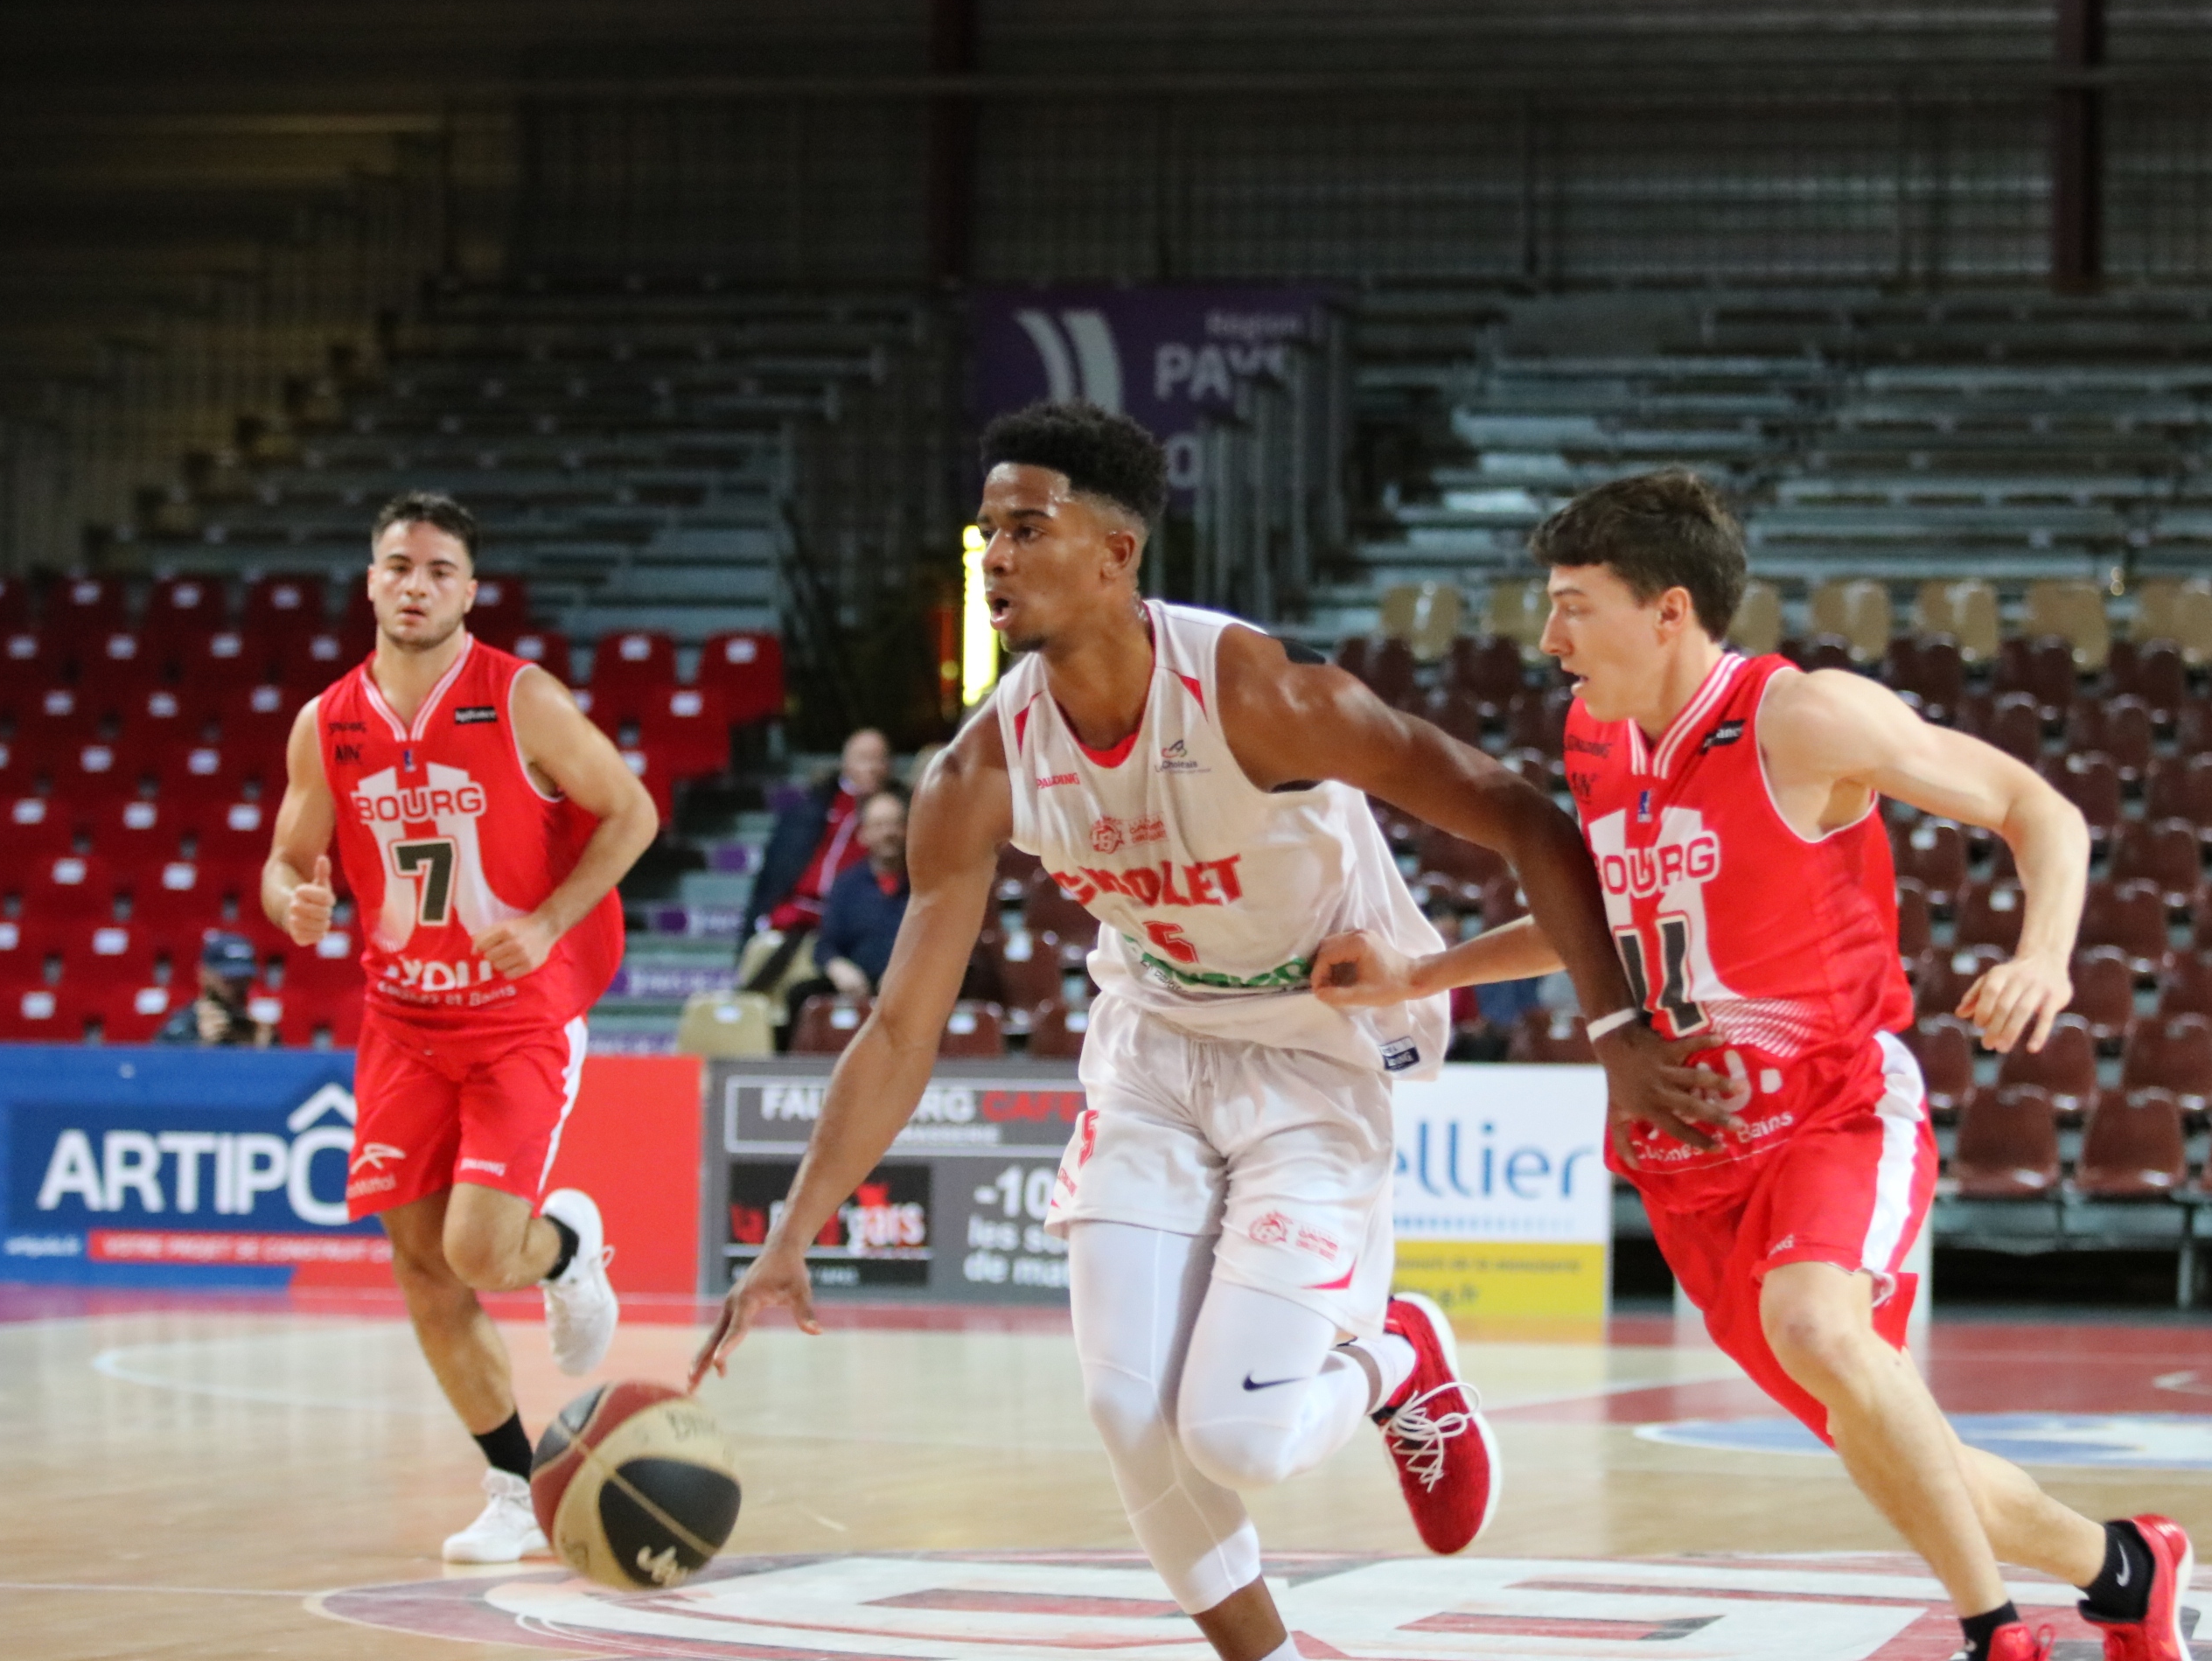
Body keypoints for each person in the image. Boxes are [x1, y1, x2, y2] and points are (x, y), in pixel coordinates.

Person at [692, 402, 1727, 1661]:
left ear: (1118, 554)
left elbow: (1522, 816)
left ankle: (1398, 1356)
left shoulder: (1261, 698)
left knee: (1237, 1438)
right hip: (1154, 1053)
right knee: (1128, 1413)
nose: (997, 559)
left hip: (1318, 1048)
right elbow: (902, 1030)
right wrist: (791, 1236)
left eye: (1028, 529)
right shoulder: (980, 772)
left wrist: (1617, 1034)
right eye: (987, 535)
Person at [1316, 470, 2196, 1661]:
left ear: (1668, 611)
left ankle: (1997, 1635)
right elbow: (1608, 924)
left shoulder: (1802, 719)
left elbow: (2038, 809)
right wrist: (1422, 975)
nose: (1550, 636)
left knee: (1823, 1331)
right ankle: (2126, 1568)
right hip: (1696, 1167)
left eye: (1575, 604)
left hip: (1835, 1111)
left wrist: (2044, 957)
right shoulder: (1592, 739)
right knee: (1880, 1435)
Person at [260, 492, 659, 1564]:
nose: (416, 584)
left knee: (477, 1249)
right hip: (400, 1023)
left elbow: (633, 812)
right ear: (372, 580)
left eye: (439, 569)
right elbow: (285, 860)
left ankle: (567, 1242)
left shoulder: (519, 698)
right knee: (420, 1265)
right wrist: (291, 898)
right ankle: (511, 1485)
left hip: (516, 1019)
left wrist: (549, 920)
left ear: (469, 590)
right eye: (399, 565)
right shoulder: (326, 719)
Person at [739, 727, 893, 994]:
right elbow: (773, 877)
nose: (872, 767)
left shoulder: (894, 817)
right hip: (792, 920)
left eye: (879, 759)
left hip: (846, 925)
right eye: (863, 758)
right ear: (845, 762)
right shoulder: (811, 808)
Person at [812, 789, 910, 1001]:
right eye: (879, 825)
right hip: (856, 986)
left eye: (895, 824)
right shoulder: (846, 885)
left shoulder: (928, 885)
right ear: (863, 834)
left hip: (916, 984)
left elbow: (942, 945)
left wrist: (908, 974)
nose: (888, 833)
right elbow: (826, 945)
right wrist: (838, 968)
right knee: (801, 996)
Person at [153, 930, 276, 1047]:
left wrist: (263, 1053)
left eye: (244, 978)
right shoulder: (182, 1027)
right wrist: (201, 1045)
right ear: (204, 975)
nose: (238, 986)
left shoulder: (257, 1028)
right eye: (228, 979)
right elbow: (158, 1065)